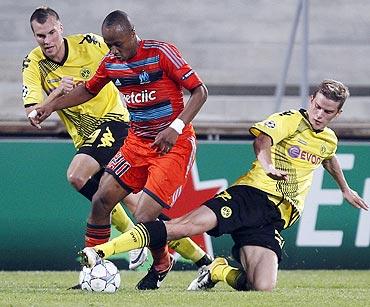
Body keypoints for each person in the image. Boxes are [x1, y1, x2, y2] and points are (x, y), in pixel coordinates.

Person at [79, 79, 368, 291]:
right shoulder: (292, 120)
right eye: (317, 106)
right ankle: (101, 251)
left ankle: (217, 270)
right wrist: (267, 165)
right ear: (311, 99)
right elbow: (262, 139)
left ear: (336, 115)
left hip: (275, 218)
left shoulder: (328, 138)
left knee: (262, 287)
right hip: (251, 196)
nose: (319, 114)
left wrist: (344, 188)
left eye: (327, 112)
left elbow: (328, 157)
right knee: (182, 226)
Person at [34, 10, 212, 290]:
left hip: (173, 145)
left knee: (144, 216)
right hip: (136, 144)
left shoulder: (162, 52)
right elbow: (89, 90)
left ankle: (161, 262)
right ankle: (92, 274)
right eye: (109, 45)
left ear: (133, 33)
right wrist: (50, 106)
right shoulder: (111, 62)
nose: (114, 50)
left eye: (118, 43)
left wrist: (175, 127)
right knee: (100, 201)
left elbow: (200, 91)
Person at [22, 6, 149, 271]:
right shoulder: (34, 63)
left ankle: (135, 240)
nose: (47, 41)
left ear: (61, 28)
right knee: (118, 195)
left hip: (114, 121)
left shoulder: (90, 44)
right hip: (85, 139)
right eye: (40, 36)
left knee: (77, 175)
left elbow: (125, 56)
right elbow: (34, 115)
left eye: (51, 33)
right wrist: (56, 92)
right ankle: (158, 243)